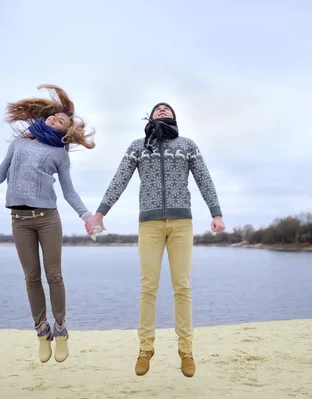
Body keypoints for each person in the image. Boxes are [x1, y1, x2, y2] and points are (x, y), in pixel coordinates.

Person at [86, 102, 225, 378]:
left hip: (181, 223)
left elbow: (204, 179)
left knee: (182, 286)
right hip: (148, 224)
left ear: (174, 116)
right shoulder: (138, 147)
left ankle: (186, 351)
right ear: (150, 117)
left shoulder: (187, 145)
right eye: (157, 109)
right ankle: (145, 349)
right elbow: (120, 179)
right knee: (148, 286)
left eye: (167, 109)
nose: (162, 110)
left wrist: (216, 213)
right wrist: (101, 212)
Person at [0, 84, 95, 364]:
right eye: (53, 117)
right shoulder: (19, 144)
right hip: (19, 221)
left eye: (61, 121)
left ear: (65, 131)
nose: (54, 120)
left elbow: (68, 190)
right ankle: (41, 333)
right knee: (31, 278)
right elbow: (1, 174)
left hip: (48, 219)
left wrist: (87, 216)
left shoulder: (59, 155)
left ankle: (61, 331)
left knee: (54, 276)